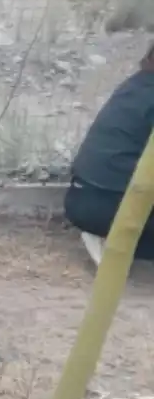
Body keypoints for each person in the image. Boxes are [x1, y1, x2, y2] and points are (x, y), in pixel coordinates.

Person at [66, 42, 154, 266]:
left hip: (83, 200)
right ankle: (113, 239)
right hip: (110, 206)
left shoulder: (137, 84)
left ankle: (108, 239)